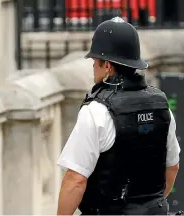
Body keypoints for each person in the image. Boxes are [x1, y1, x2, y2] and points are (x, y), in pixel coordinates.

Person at [56, 17, 181, 215]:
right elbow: (172, 167)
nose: (93, 66)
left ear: (107, 66)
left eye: (95, 60)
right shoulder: (161, 106)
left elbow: (75, 180)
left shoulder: (96, 111)